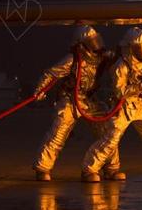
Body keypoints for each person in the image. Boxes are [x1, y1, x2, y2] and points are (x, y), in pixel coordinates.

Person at [33, 25, 123, 182]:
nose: (97, 45)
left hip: (89, 99)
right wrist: (40, 90)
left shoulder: (103, 58)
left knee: (107, 130)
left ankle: (111, 168)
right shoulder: (72, 60)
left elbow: (120, 62)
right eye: (92, 42)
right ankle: (42, 168)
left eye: (97, 40)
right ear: (81, 45)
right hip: (70, 99)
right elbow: (51, 73)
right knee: (58, 133)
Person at [81, 27, 142, 182]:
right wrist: (140, 84)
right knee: (111, 139)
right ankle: (89, 170)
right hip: (123, 106)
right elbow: (119, 92)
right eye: (139, 49)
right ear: (129, 48)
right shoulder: (120, 65)